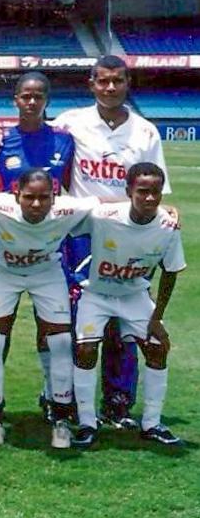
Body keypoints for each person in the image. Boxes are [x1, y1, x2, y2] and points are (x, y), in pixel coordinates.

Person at [54, 56, 172, 430]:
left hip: (130, 238)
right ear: (91, 84)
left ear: (127, 83)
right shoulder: (71, 123)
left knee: (125, 321)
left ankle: (118, 402)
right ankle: (71, 399)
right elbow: (34, 135)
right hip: (83, 236)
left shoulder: (145, 132)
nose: (109, 88)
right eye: (102, 81)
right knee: (82, 323)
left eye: (116, 81)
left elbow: (157, 188)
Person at [0, 169, 96, 448]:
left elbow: (106, 207)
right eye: (29, 197)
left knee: (62, 342)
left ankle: (62, 416)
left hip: (47, 273)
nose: (37, 204)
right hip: (3, 273)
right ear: (16, 195)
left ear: (55, 197)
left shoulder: (68, 209)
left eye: (44, 197)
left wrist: (165, 211)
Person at [0, 71, 74, 420]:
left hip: (49, 254)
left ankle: (52, 396)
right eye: (25, 96)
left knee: (51, 331)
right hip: (6, 255)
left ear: (47, 100)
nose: (31, 102)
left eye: (38, 96)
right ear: (15, 100)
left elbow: (70, 194)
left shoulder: (65, 141)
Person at [71, 163, 185, 447]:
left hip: (134, 294)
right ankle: (86, 423)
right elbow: (68, 215)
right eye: (142, 191)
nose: (149, 198)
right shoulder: (104, 216)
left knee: (158, 348)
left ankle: (152, 424)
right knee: (85, 349)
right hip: (97, 293)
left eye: (155, 193)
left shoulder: (168, 226)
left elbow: (170, 272)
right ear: (128, 192)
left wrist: (156, 318)